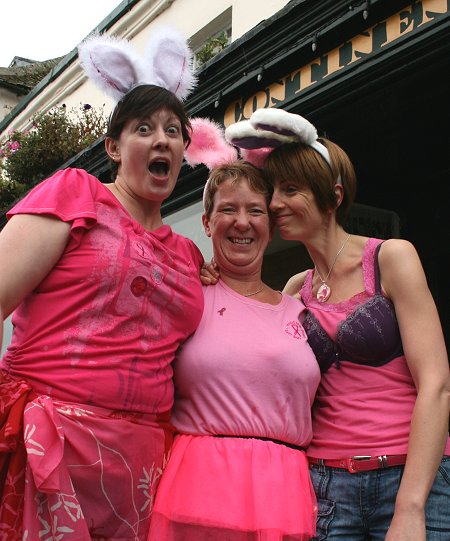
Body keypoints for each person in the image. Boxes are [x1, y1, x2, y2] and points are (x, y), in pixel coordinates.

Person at [0, 29, 204, 540]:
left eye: (174, 131)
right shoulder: (75, 193)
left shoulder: (189, 256)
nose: (162, 139)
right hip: (47, 445)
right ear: (113, 146)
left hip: (142, 467)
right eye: (144, 128)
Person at [222, 107, 450, 541]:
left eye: (290, 190)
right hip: (326, 490)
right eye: (272, 192)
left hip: (410, 477)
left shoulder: (390, 258)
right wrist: (212, 274)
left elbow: (436, 383)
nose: (274, 204)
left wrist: (410, 506)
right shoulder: (292, 290)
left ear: (335, 194)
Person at [147, 161, 321, 540]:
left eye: (255, 210)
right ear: (207, 222)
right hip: (200, 491)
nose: (242, 222)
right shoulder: (186, 295)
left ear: (271, 227)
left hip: (286, 493)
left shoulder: (300, 311)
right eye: (228, 209)